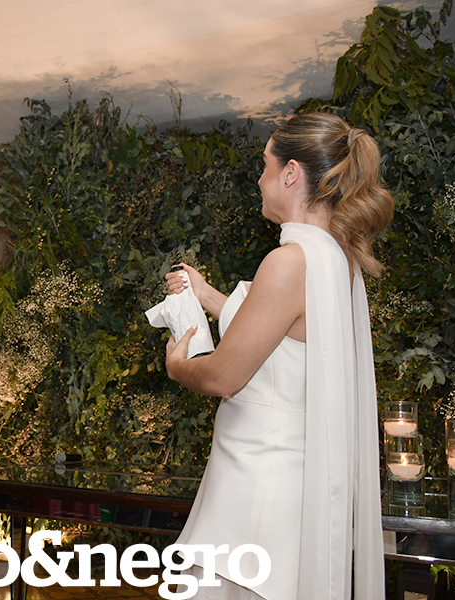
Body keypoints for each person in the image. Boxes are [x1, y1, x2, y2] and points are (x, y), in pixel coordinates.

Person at [164, 113, 394, 599]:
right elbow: (281, 336)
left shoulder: (288, 262)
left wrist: (178, 366)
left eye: (265, 165)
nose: (260, 179)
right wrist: (208, 297)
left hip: (256, 491)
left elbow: (223, 376)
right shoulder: (336, 259)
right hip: (285, 485)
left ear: (291, 173)